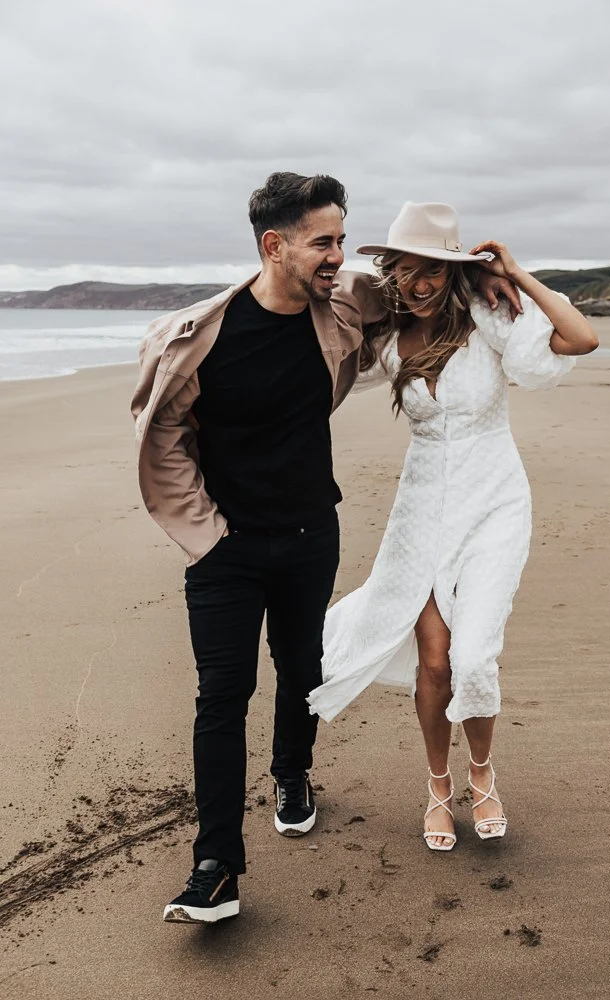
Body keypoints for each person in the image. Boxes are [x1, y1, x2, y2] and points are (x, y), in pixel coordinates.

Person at [131, 176, 519, 923]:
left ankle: (292, 774)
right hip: (224, 551)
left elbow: (415, 283)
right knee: (221, 696)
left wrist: (487, 275)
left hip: (311, 534)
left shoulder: (342, 304)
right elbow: (167, 438)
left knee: (301, 669)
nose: (340, 256)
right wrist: (205, 537)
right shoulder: (199, 337)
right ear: (274, 246)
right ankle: (214, 866)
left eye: (343, 240)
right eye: (324, 242)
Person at [308, 201, 598, 851]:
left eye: (430, 271)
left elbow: (579, 340)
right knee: (434, 664)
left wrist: (513, 272)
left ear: (453, 272)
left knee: (472, 656)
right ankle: (438, 788)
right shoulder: (384, 339)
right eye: (403, 270)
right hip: (422, 513)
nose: (416, 284)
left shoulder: (490, 320)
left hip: (493, 504)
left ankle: (482, 775)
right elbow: (329, 318)